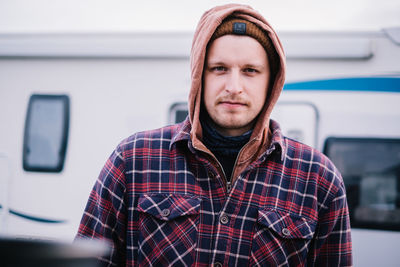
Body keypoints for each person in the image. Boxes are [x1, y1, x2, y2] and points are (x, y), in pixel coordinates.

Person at [76, 3, 352, 266]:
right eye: (219, 68)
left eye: (250, 71)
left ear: (272, 81)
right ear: (199, 76)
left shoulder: (318, 179)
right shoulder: (134, 159)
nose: (234, 86)